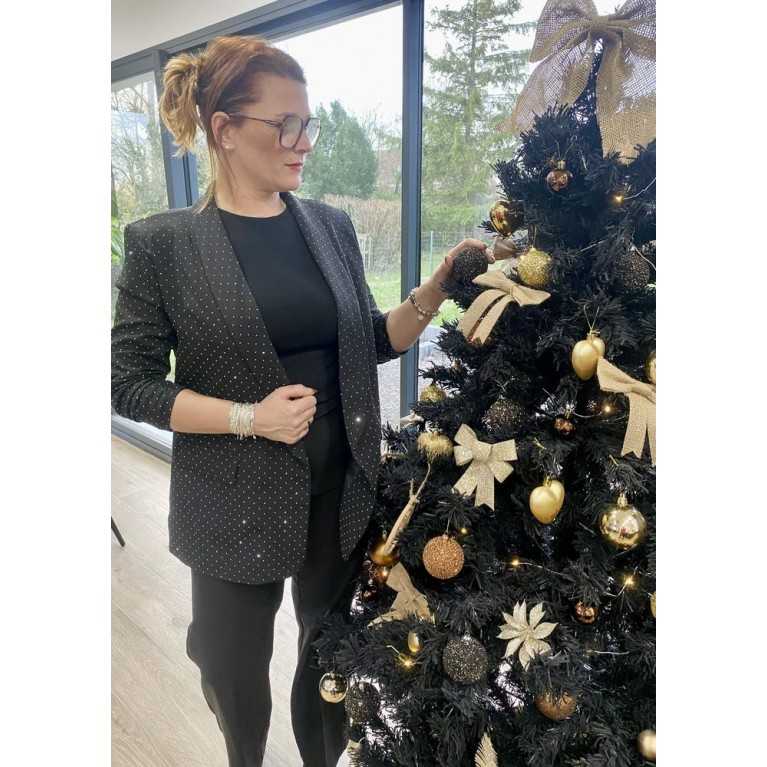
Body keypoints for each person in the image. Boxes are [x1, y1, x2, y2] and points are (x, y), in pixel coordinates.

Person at [111, 33, 492, 767]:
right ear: (224, 129)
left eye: (307, 123)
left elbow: (368, 338)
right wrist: (247, 418)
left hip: (340, 488)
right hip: (229, 500)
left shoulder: (330, 226)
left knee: (329, 657)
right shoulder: (164, 245)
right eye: (284, 124)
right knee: (231, 672)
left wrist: (434, 289)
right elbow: (126, 381)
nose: (304, 142)